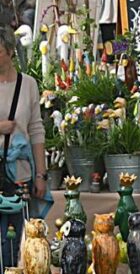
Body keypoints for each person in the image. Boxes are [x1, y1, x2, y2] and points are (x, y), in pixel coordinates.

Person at [0, 26, 51, 269]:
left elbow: (36, 130)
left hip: (19, 172)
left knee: (17, 236)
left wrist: (41, 175)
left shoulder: (28, 84)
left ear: (10, 51)